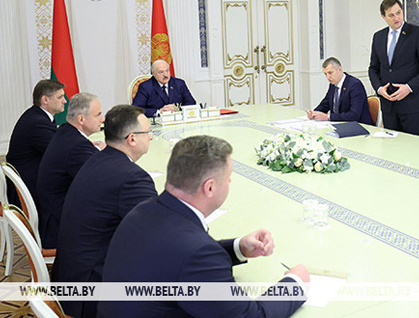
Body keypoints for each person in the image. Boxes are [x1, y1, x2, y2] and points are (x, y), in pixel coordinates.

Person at [100, 135, 307, 318]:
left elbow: (177, 259)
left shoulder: (143, 211)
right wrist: (295, 283)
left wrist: (239, 248)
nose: (230, 182)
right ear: (210, 187)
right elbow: (250, 315)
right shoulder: (197, 252)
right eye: (228, 178)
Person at [53, 104, 158, 318]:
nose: (151, 137)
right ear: (132, 139)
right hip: (91, 291)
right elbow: (160, 233)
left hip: (71, 274)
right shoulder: (132, 178)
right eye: (148, 132)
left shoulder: (98, 159)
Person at [36, 92, 105, 249]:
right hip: (59, 225)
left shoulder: (66, 132)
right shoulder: (77, 146)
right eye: (98, 115)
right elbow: (101, 179)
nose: (102, 119)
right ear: (81, 119)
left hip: (54, 210)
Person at [368, 0, 419, 137]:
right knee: (392, 147)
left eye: (398, 13)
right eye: (391, 15)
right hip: (388, 105)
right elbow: (373, 68)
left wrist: (409, 87)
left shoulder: (418, 33)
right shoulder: (378, 37)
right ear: (383, 17)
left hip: (413, 104)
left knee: (414, 146)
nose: (396, 18)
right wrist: (379, 89)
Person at [5, 79, 66, 205]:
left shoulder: (37, 115)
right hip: (27, 185)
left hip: (27, 174)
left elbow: (56, 143)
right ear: (45, 100)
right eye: (60, 97)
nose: (64, 101)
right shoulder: (37, 122)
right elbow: (58, 154)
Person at [308, 57, 373, 125]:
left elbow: (354, 115)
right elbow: (325, 104)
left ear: (339, 69)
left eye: (330, 73)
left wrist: (328, 117)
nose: (328, 77)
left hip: (359, 126)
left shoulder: (355, 85)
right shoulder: (333, 85)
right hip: (339, 124)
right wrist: (314, 113)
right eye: (325, 74)